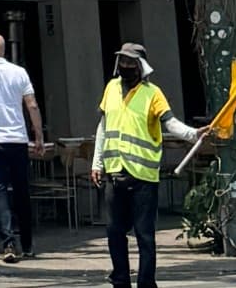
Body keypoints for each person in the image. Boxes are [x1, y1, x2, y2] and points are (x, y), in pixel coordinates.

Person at [92, 41, 206, 288]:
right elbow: (103, 126)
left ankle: (146, 283)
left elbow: (170, 123)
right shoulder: (111, 88)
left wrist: (193, 134)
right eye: (122, 61)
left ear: (141, 66)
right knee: (114, 232)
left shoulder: (153, 93)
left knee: (144, 235)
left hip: (143, 176)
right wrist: (96, 162)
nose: (125, 66)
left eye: (131, 63)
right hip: (114, 172)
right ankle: (120, 281)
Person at [0, 33, 45, 263]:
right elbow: (32, 105)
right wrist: (38, 135)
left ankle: (8, 243)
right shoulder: (20, 72)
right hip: (18, 139)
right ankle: (27, 243)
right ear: (4, 51)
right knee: (21, 191)